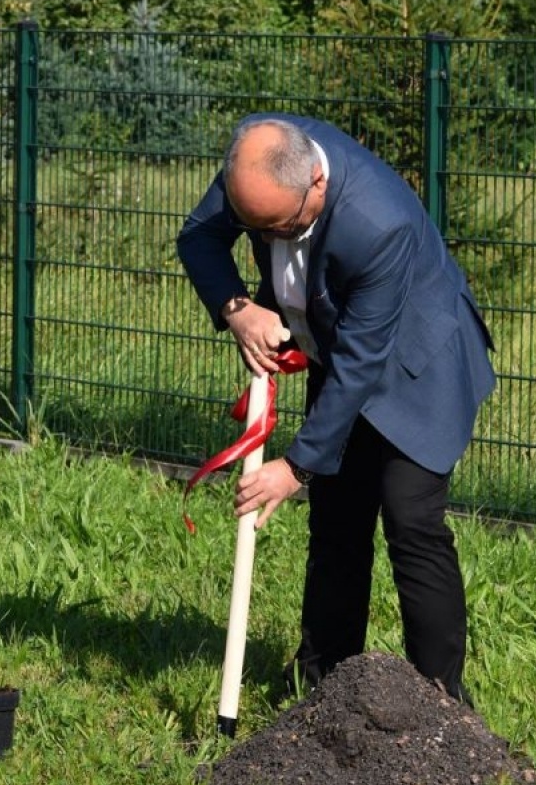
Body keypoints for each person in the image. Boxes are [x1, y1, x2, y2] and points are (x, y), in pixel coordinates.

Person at [176, 113, 496, 705]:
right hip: (335, 340)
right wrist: (237, 306)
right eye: (255, 227)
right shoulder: (258, 159)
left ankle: (441, 703)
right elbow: (198, 236)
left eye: (278, 227)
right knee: (337, 521)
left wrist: (294, 467)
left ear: (316, 188)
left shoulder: (379, 224)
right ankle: (324, 685)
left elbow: (361, 362)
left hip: (417, 363)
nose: (265, 238)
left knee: (410, 521)